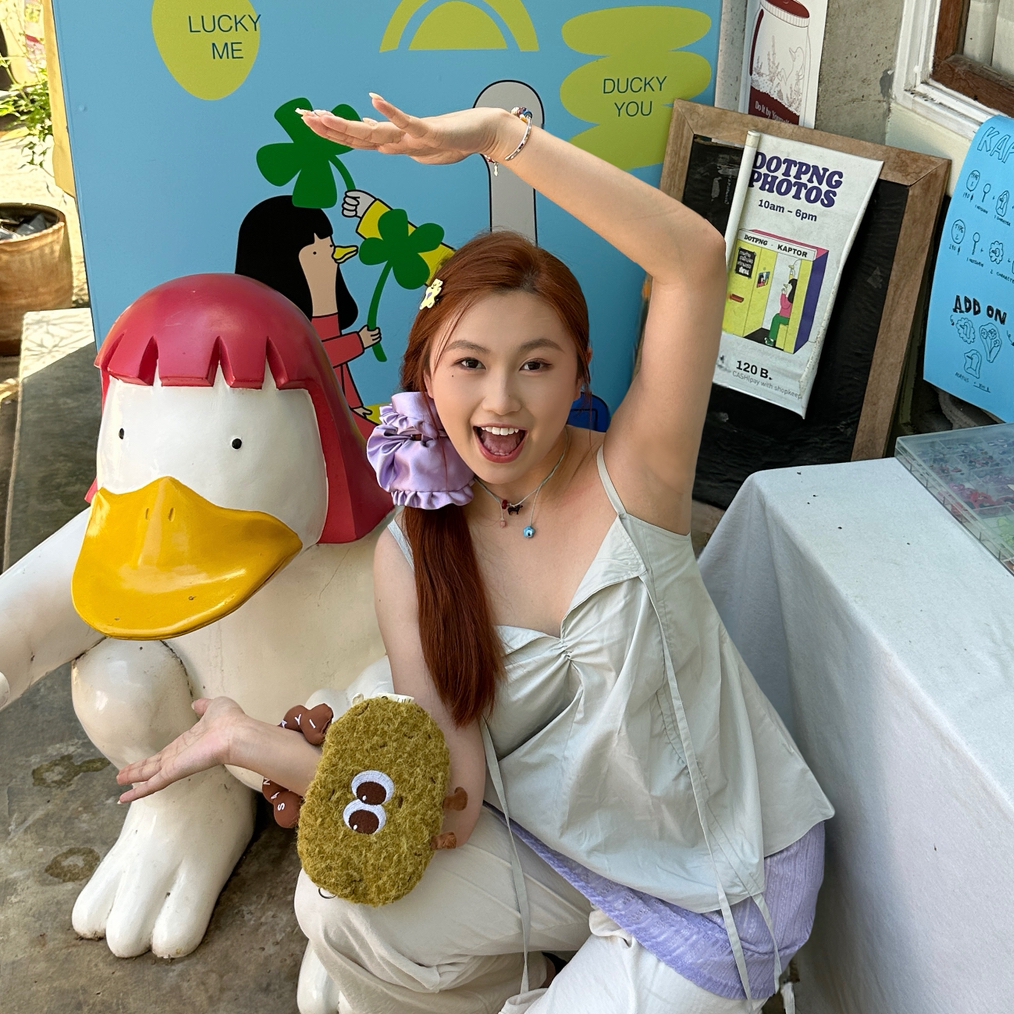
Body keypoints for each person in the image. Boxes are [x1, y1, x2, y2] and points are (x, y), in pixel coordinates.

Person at [118, 95, 833, 1013]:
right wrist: (251, 743)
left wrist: (501, 139)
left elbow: (694, 260)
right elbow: (449, 802)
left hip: (722, 885)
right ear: (425, 375)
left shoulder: (637, 477)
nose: (501, 401)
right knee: (343, 904)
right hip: (572, 860)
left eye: (536, 364)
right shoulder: (414, 554)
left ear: (579, 374)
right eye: (469, 364)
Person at [235, 195, 381, 438]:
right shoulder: (286, 330)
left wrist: (354, 406)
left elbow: (339, 373)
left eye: (329, 248)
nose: (331, 258)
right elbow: (316, 358)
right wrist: (358, 342)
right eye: (315, 253)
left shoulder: (326, 314)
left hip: (341, 413)